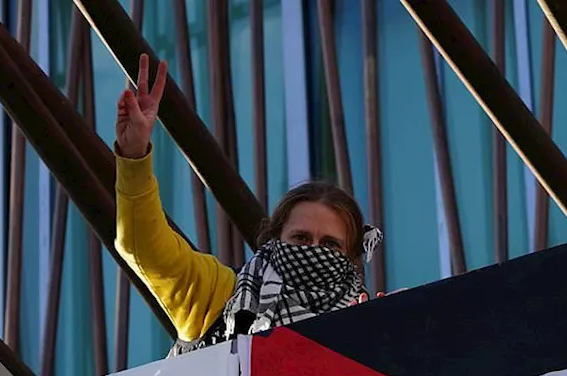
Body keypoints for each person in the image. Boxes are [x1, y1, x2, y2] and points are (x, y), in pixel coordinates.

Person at [113, 54, 385, 356]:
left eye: (331, 246)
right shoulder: (217, 296)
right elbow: (145, 249)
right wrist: (134, 155)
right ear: (275, 239)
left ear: (351, 258)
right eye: (301, 238)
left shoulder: (361, 327)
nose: (313, 252)